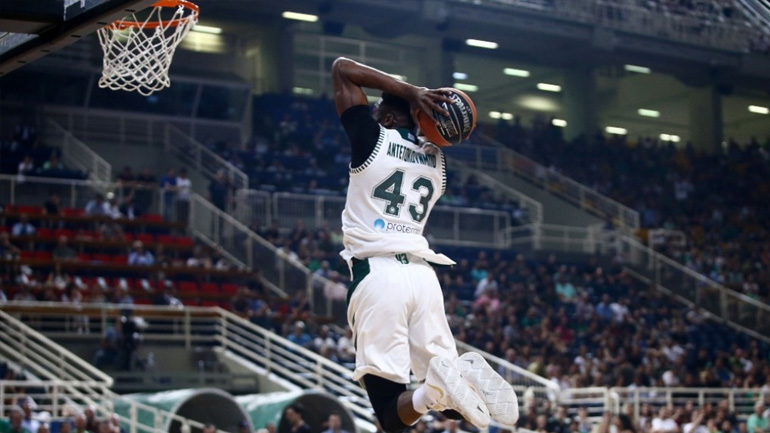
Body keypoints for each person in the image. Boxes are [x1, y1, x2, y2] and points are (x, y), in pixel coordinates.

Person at [331, 56, 517, 432]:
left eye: (380, 106)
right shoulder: (437, 162)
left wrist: (412, 92)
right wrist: (426, 106)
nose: (376, 108)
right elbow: (438, 131)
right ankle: (452, 378)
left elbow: (342, 69)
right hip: (423, 278)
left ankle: (435, 388)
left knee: (387, 413)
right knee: (450, 407)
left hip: (379, 276)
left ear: (387, 119)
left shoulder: (372, 140)